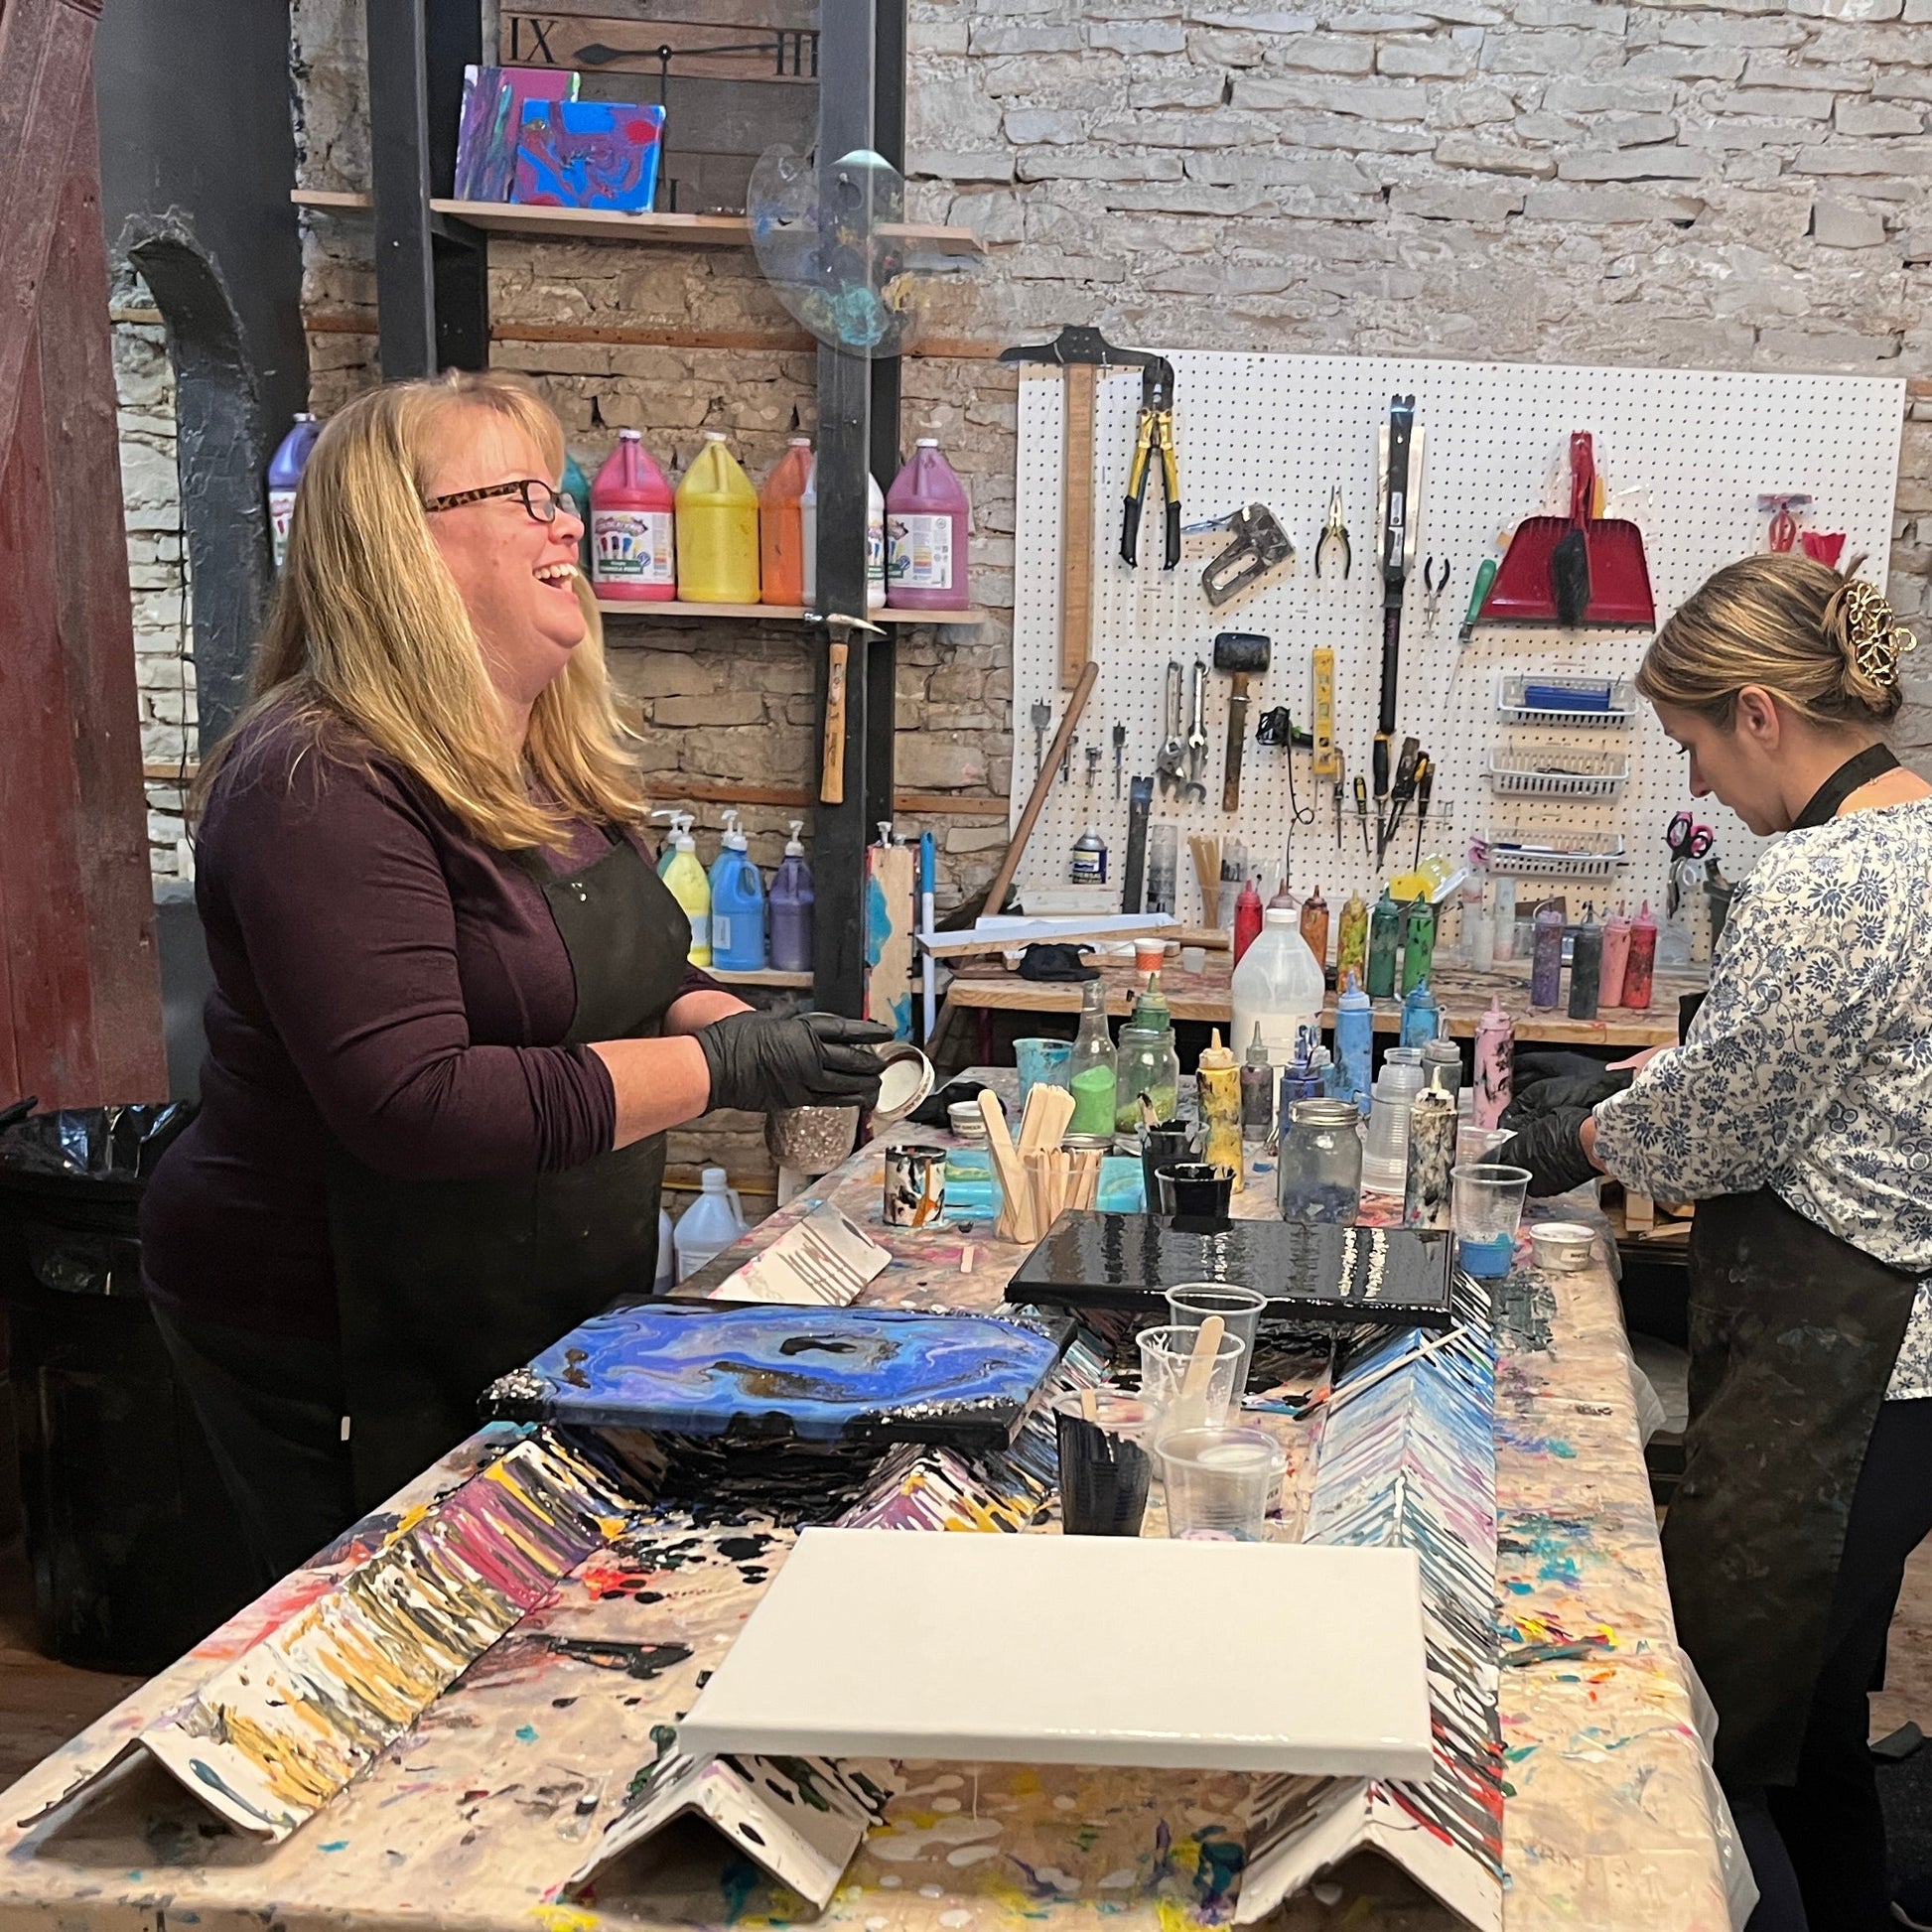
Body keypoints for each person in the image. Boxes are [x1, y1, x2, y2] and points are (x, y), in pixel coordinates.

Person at [141, 371, 888, 1583]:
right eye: (524, 496)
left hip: (512, 1292)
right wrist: (720, 1066)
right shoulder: (317, 781)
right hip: (338, 1322)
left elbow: (633, 971)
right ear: (404, 545)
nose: (569, 523)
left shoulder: (542, 760)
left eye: (561, 492)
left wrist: (773, 1041)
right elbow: (416, 1099)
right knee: (393, 1640)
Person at [1503, 554, 1930, 1931]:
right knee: (1813, 1718)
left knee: (1718, 1727)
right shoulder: (1918, 841)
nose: (1694, 782)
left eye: (1692, 742)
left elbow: (1714, 1136)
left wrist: (1577, 1130)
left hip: (1847, 1373)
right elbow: (1820, 1072)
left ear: (1758, 710)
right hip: (1900, 1358)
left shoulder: (1820, 876)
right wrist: (1662, 1078)